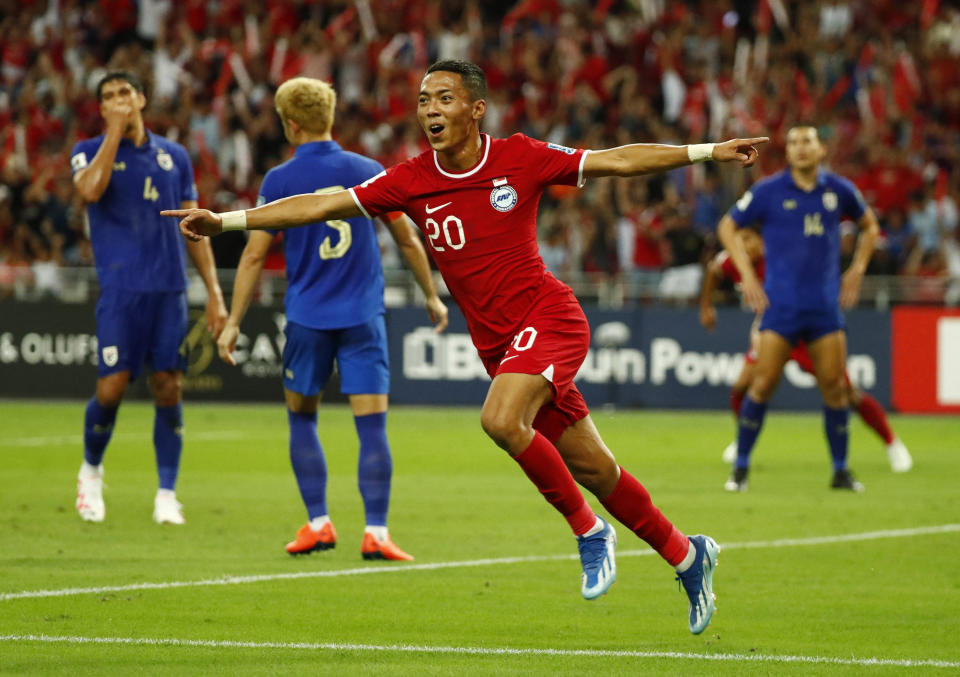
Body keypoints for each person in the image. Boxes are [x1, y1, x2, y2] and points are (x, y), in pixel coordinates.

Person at [165, 59, 769, 635]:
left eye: (445, 99)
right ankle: (689, 556)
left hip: (550, 316)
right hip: (499, 346)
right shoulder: (410, 179)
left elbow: (617, 161)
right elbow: (320, 204)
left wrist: (708, 151)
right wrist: (229, 222)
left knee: (501, 419)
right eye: (425, 100)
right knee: (595, 468)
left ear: (476, 110)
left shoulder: (521, 157)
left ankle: (589, 533)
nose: (431, 109)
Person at [217, 77, 449, 560]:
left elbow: (255, 257)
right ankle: (378, 533)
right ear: (330, 118)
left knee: (301, 416)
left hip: (307, 318)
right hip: (363, 315)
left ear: (291, 124)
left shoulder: (278, 180)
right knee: (372, 426)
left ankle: (319, 523)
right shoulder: (366, 168)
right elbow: (407, 238)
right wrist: (431, 294)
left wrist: (235, 319)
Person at [71, 71, 227, 524]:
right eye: (108, 98)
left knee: (169, 385)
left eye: (125, 93)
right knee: (113, 385)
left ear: (141, 98)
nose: (118, 101)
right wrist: (115, 134)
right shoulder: (86, 152)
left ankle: (165, 493)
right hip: (121, 292)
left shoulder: (174, 156)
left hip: (169, 291)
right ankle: (91, 472)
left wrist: (214, 293)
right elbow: (90, 191)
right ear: (101, 108)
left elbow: (195, 230)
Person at [715, 125, 880, 493]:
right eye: (792, 143)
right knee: (762, 386)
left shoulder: (839, 190)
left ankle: (840, 471)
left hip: (824, 310)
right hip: (781, 310)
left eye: (807, 141)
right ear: (787, 152)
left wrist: (857, 269)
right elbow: (727, 227)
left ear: (821, 149)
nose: (800, 148)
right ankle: (740, 468)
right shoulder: (768, 191)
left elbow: (870, 226)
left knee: (835, 389)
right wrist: (748, 275)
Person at [699, 228, 912, 481]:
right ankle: (741, 442)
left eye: (749, 239)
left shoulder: (782, 256)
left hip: (806, 334)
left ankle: (891, 443)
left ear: (762, 239)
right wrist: (707, 307)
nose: (744, 246)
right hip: (774, 332)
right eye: (740, 240)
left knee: (846, 392)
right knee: (742, 386)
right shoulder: (735, 260)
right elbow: (714, 271)